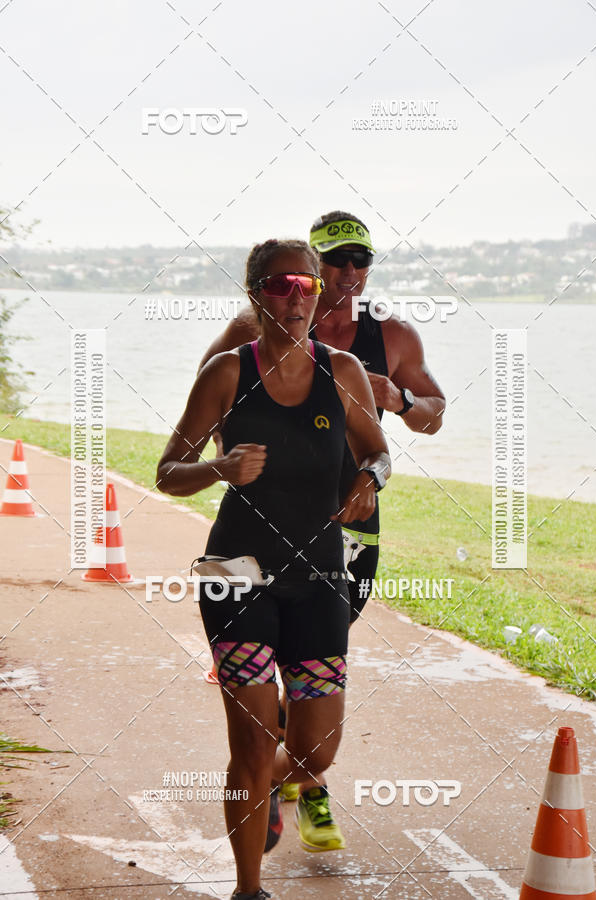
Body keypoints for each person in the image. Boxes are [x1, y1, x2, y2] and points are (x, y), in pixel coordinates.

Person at [196, 213, 446, 851]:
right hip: (265, 530)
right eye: (336, 262)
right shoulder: (248, 332)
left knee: (318, 656)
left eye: (363, 261)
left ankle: (293, 771)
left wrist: (399, 402)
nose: (350, 274)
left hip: (349, 526)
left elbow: (431, 414)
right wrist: (246, 466)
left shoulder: (387, 335)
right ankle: (293, 786)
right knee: (270, 667)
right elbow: (211, 407)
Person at [157, 238, 390, 900]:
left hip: (318, 576)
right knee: (253, 744)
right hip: (235, 572)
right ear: (257, 291)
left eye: (309, 286)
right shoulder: (228, 373)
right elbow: (169, 471)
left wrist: (370, 480)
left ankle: (273, 792)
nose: (298, 297)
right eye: (284, 284)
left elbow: (378, 451)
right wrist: (217, 469)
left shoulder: (341, 371)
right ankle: (248, 889)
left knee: (317, 752)